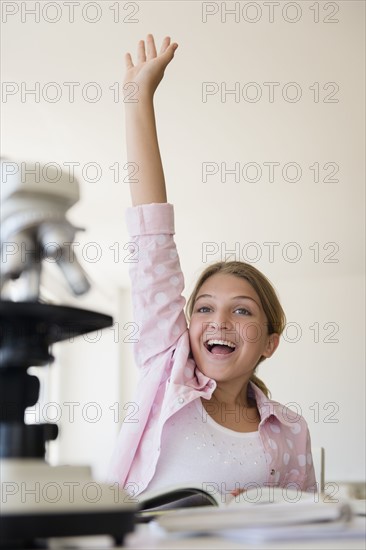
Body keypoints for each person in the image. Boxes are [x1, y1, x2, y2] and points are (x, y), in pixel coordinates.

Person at [108, 34, 316, 500]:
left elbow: (302, 526)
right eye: (203, 308)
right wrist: (137, 99)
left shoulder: (292, 431)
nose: (218, 320)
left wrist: (265, 507)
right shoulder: (167, 370)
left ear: (270, 341)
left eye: (242, 311)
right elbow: (152, 241)